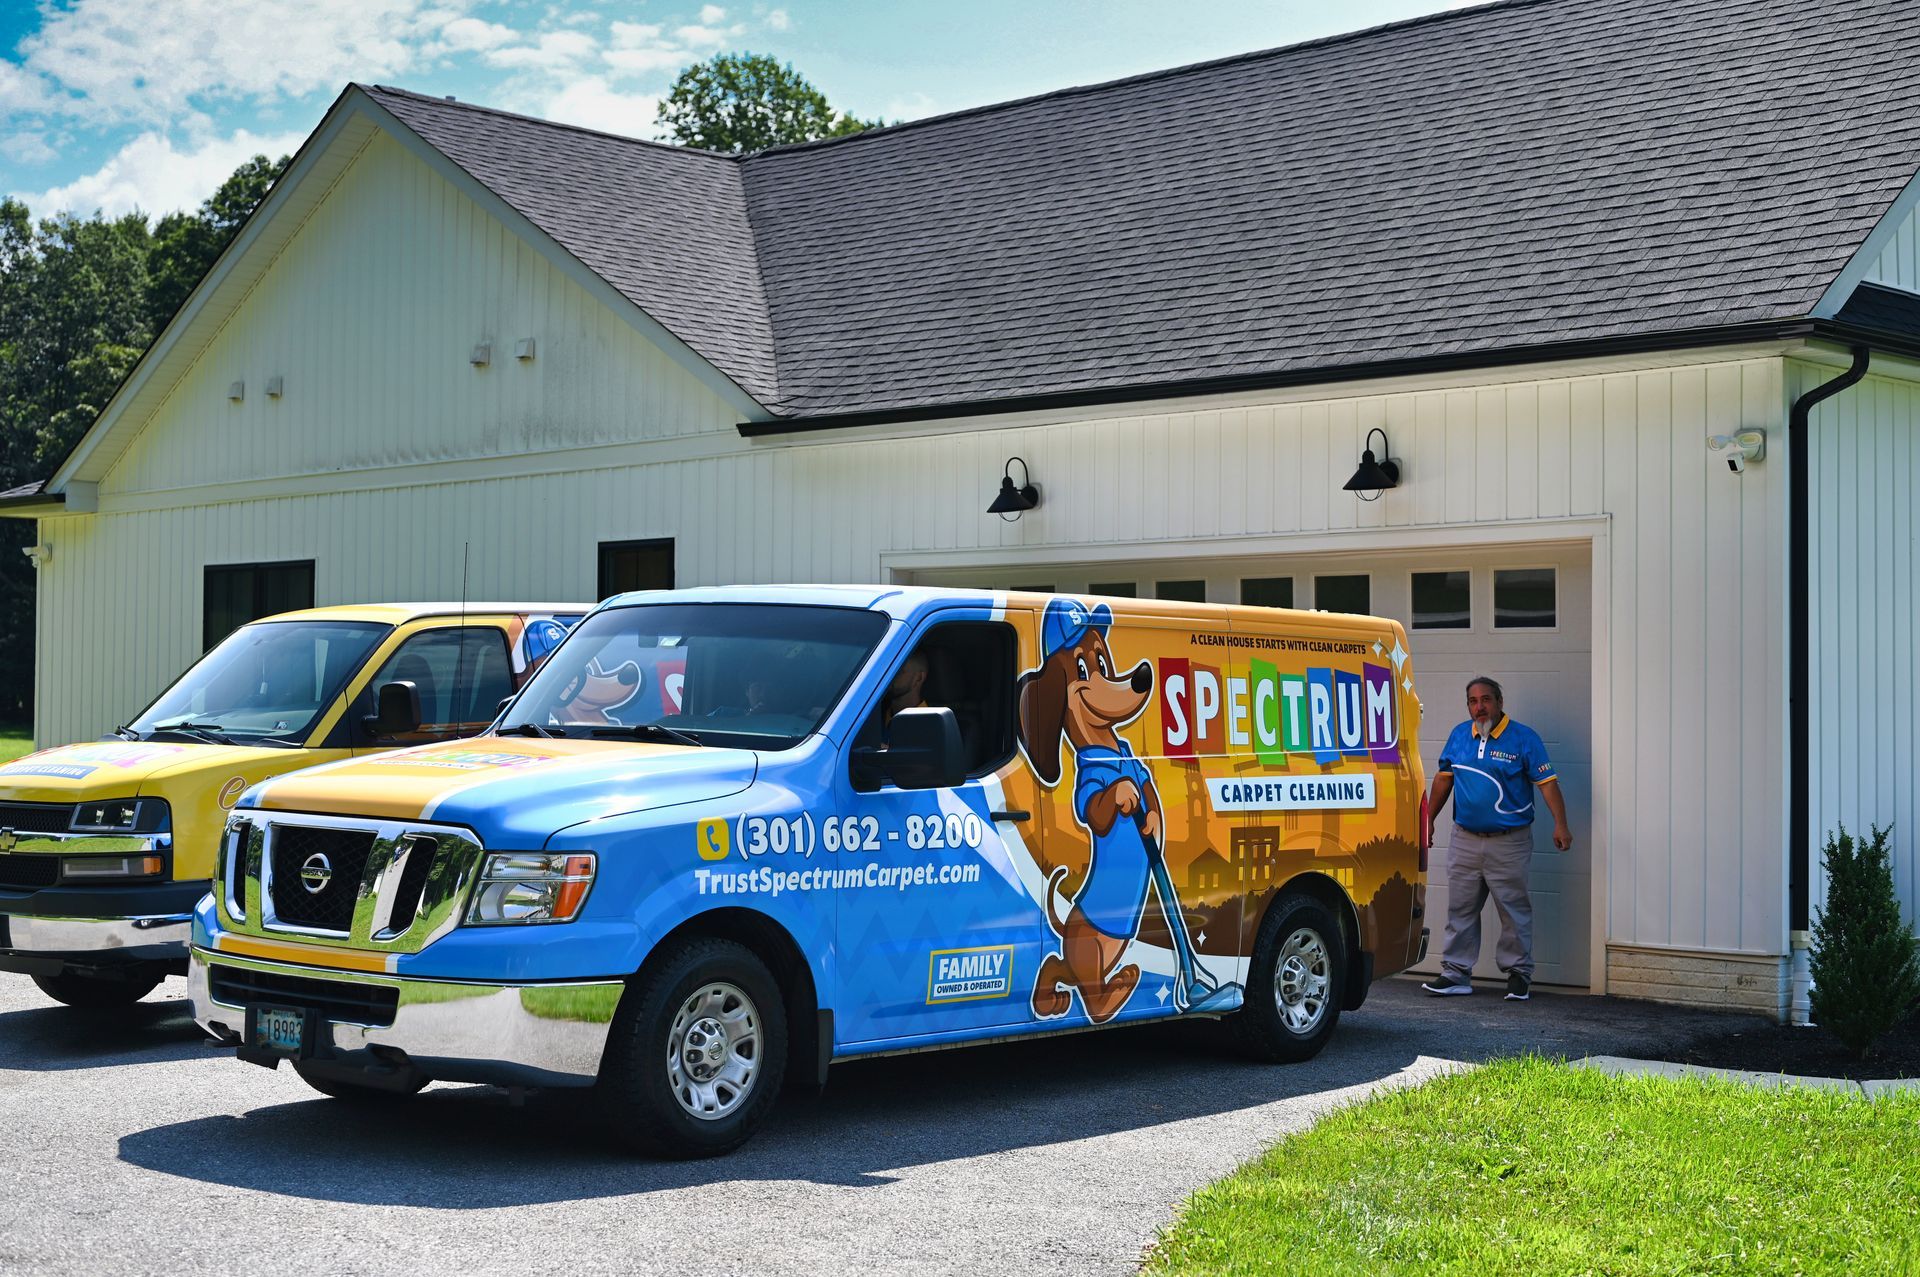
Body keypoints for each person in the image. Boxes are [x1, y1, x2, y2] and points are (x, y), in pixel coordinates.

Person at [1420, 676, 1571, 1002]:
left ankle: (1519, 975)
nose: (1480, 707)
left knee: (1513, 910)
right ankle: (1456, 973)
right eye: (1473, 701)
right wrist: (1428, 820)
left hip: (1509, 841)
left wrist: (1561, 824)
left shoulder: (1523, 739)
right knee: (1460, 909)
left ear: (1500, 702)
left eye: (1486, 699)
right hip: (1465, 839)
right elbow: (1443, 783)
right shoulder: (1460, 736)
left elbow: (1547, 783)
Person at [881, 651, 928, 726]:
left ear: (918, 678)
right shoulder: (870, 715)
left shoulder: (928, 723)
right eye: (888, 671)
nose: (889, 677)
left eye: (899, 672)